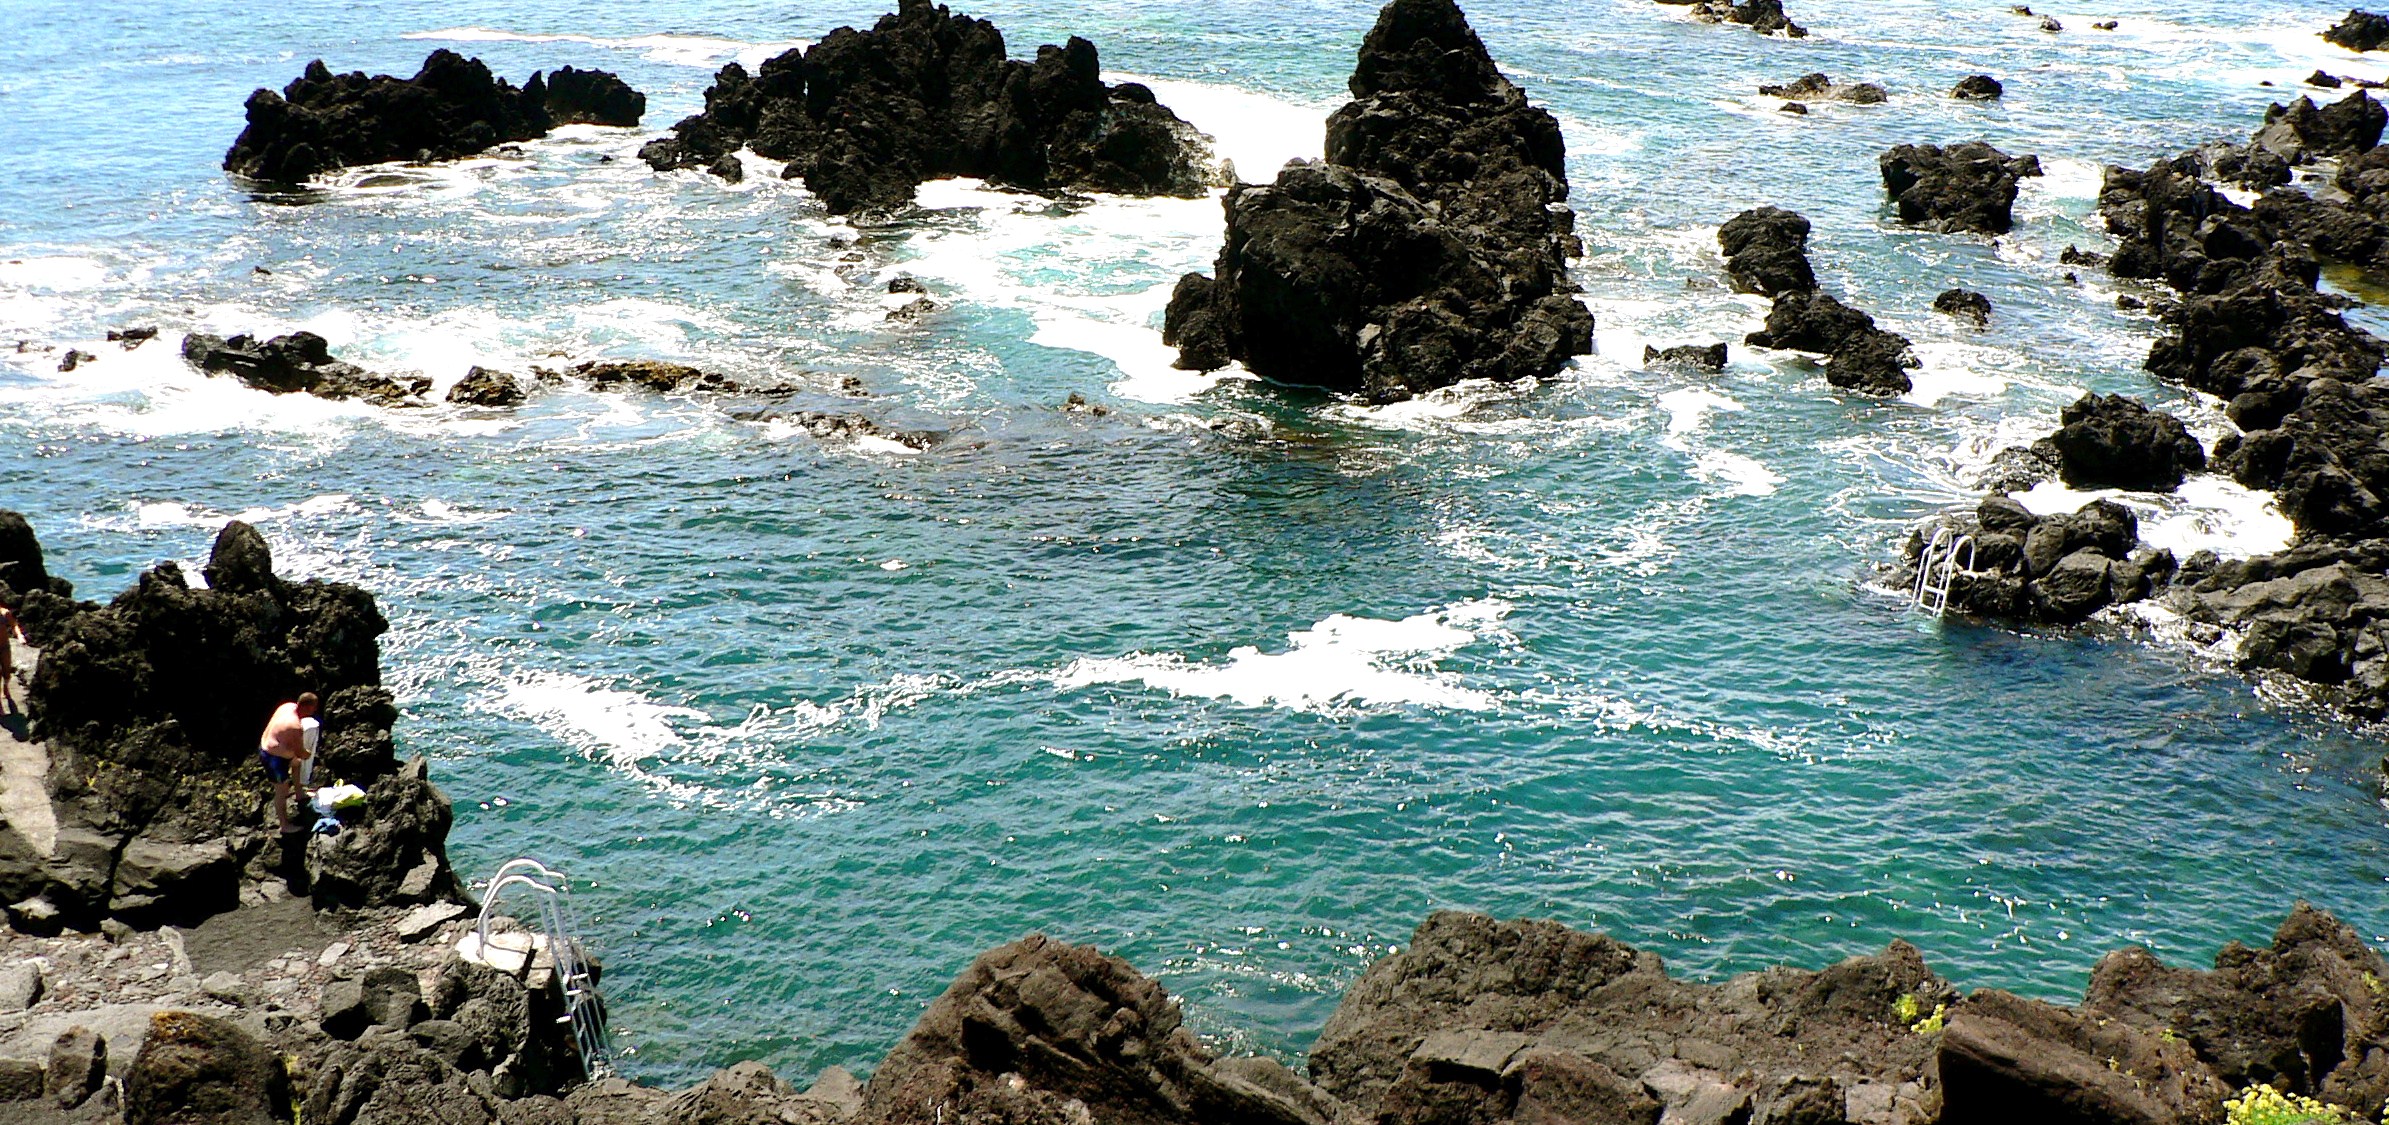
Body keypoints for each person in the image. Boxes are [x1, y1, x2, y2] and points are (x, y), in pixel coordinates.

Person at [259, 692, 318, 833]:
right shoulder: (295, 726)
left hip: (273, 746)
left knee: (296, 763)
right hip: (272, 758)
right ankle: (284, 826)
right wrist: (311, 753)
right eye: (314, 708)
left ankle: (299, 793)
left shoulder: (287, 706)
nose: (315, 711)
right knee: (282, 790)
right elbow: (301, 753)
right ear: (309, 708)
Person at [0, 604, 24, 715]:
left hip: (4, 647)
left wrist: (19, 635)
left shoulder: (5, 613)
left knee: (7, 672)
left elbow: (14, 624)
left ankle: (5, 687)